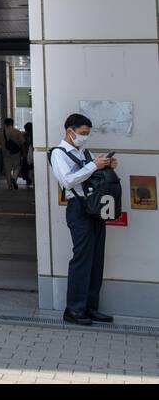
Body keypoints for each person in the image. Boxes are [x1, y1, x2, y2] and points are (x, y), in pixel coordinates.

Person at [51, 114, 116, 326]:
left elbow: (90, 178)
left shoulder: (83, 152)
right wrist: (93, 166)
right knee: (82, 258)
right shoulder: (58, 153)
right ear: (70, 131)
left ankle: (90, 307)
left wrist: (106, 165)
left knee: (96, 258)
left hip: (94, 208)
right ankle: (74, 309)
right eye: (82, 134)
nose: (85, 138)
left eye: (87, 134)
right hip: (78, 209)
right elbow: (68, 181)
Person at [1, 117, 25, 190]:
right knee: (16, 167)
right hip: (16, 153)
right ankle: (14, 178)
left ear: (5, 124)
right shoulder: (17, 132)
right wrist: (24, 153)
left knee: (8, 170)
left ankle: (9, 186)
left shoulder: (2, 133)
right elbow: (22, 143)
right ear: (12, 123)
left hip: (5, 153)